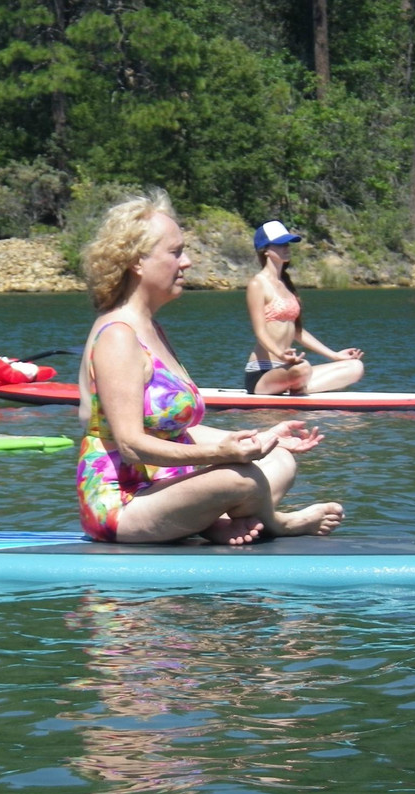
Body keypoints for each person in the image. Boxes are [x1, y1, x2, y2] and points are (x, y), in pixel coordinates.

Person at [76, 191, 345, 546]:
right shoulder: (118, 336)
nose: (186, 262)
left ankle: (212, 521)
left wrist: (259, 439)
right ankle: (279, 522)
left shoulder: (152, 330)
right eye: (175, 252)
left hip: (166, 486)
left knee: (279, 460)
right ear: (137, 262)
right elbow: (131, 446)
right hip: (123, 503)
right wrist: (222, 455)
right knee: (239, 478)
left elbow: (172, 431)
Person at [244, 220, 364, 395]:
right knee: (303, 368)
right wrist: (281, 354)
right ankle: (297, 385)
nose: (286, 248)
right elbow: (260, 332)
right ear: (266, 250)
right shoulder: (257, 284)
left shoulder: (286, 284)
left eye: (287, 244)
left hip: (289, 369)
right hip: (262, 373)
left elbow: (297, 332)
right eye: (280, 244)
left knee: (355, 367)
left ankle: (298, 387)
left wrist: (335, 355)